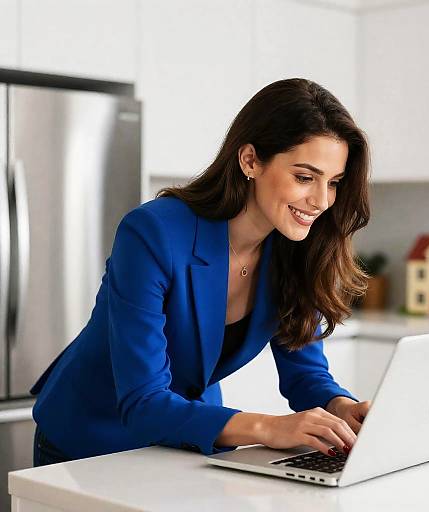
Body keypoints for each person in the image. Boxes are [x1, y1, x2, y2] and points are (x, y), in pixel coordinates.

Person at [31, 78, 372, 467]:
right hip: (90, 441)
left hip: (188, 441)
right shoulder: (154, 232)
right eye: (305, 177)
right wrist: (269, 427)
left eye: (334, 183)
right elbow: (144, 402)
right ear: (250, 160)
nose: (322, 201)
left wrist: (340, 407)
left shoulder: (297, 249)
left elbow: (306, 375)